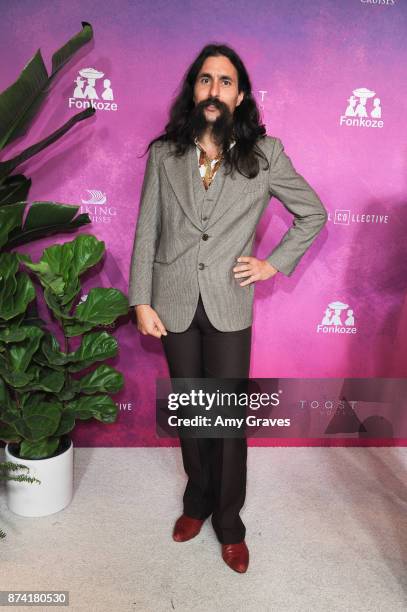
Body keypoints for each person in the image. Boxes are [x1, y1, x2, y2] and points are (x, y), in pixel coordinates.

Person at [128, 43, 328, 574]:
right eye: (205, 80)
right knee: (191, 411)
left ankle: (229, 522)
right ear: (193, 89)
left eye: (225, 81)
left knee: (226, 418)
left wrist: (272, 264)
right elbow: (146, 229)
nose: (213, 90)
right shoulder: (163, 155)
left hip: (228, 303)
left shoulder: (267, 155)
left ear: (239, 95)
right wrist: (141, 298)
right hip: (171, 301)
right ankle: (196, 502)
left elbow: (313, 213)